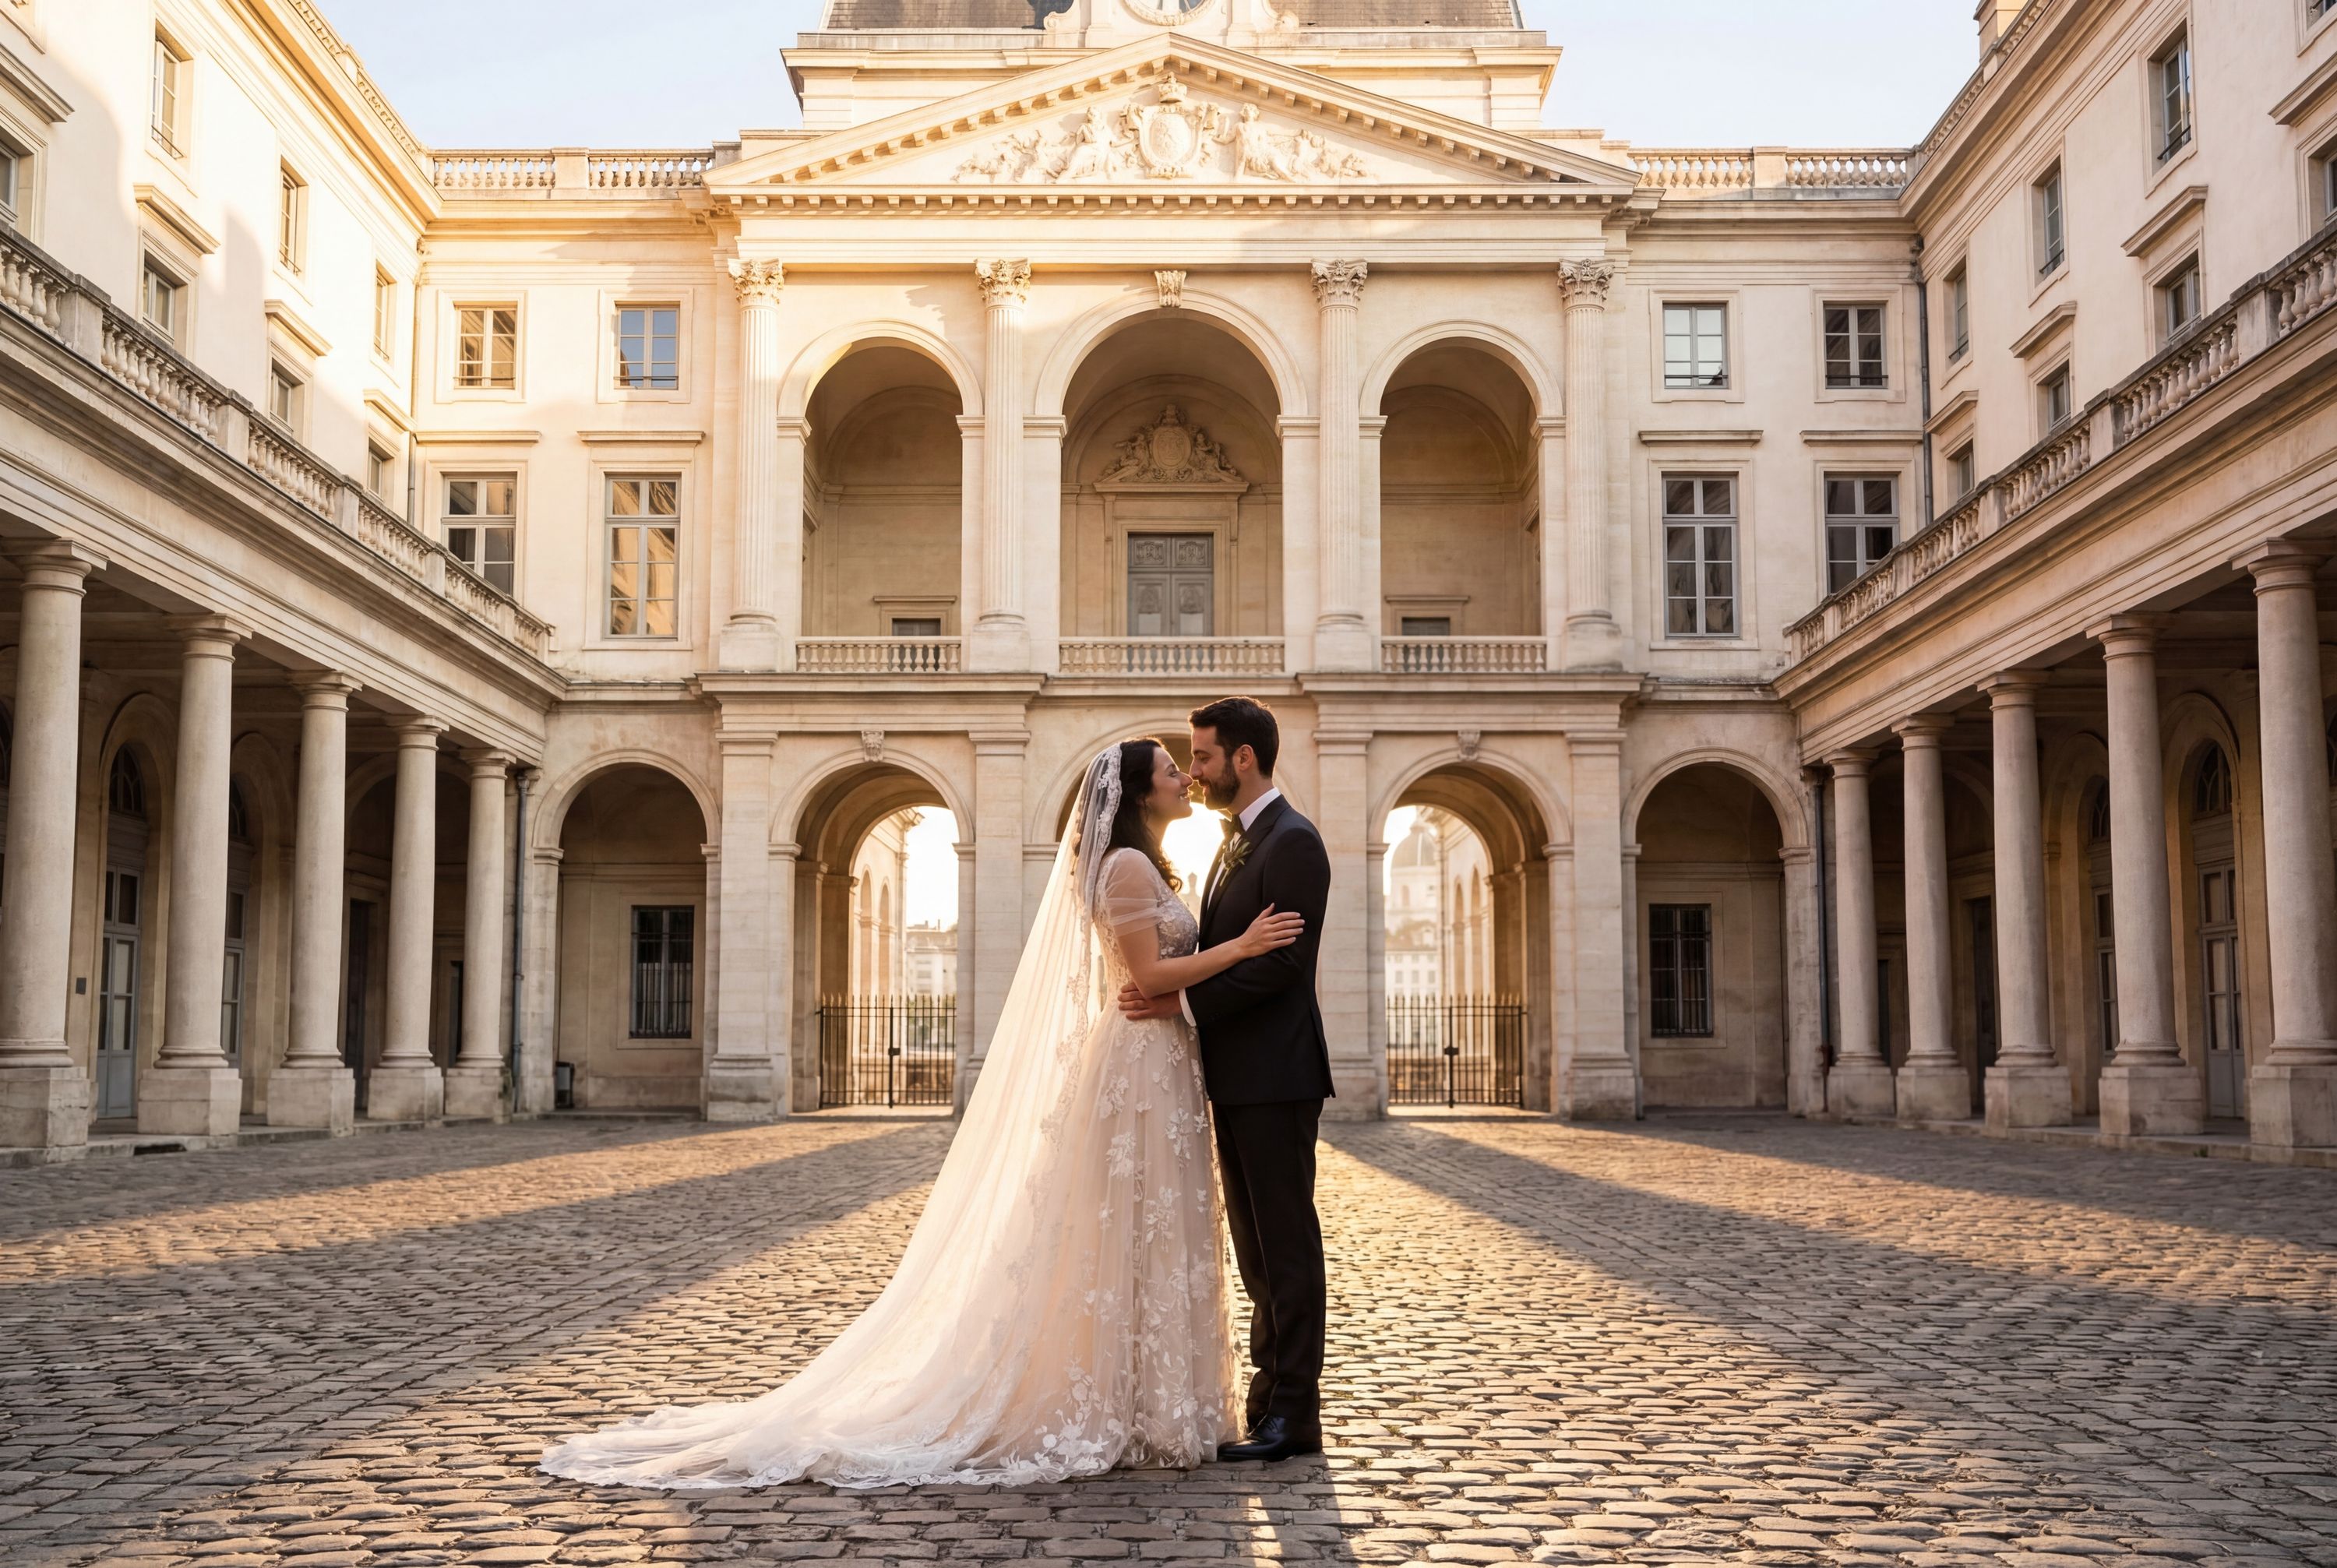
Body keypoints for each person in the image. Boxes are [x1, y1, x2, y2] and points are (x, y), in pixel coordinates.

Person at [538, 738, 1302, 1489]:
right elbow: (1148, 972)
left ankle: (1150, 1400)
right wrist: (1240, 948)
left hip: (1159, 1058)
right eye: (1173, 770)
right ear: (1140, 793)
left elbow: (1154, 978)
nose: (1184, 778)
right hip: (1140, 1063)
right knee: (1135, 1225)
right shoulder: (1128, 864)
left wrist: (1198, 975)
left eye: (1187, 764)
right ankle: (1135, 1404)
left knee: (1149, 1226)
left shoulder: (1147, 863)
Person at [1119, 696, 1334, 1463]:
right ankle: (1268, 1403)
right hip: (1239, 1077)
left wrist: (1178, 1000)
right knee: (1257, 1252)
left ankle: (1294, 1415)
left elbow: (1282, 966)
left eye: (1203, 757)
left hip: (1277, 1075)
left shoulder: (1294, 842)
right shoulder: (1237, 841)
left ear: (1243, 758)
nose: (1196, 770)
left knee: (1286, 1248)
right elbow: (1226, 946)